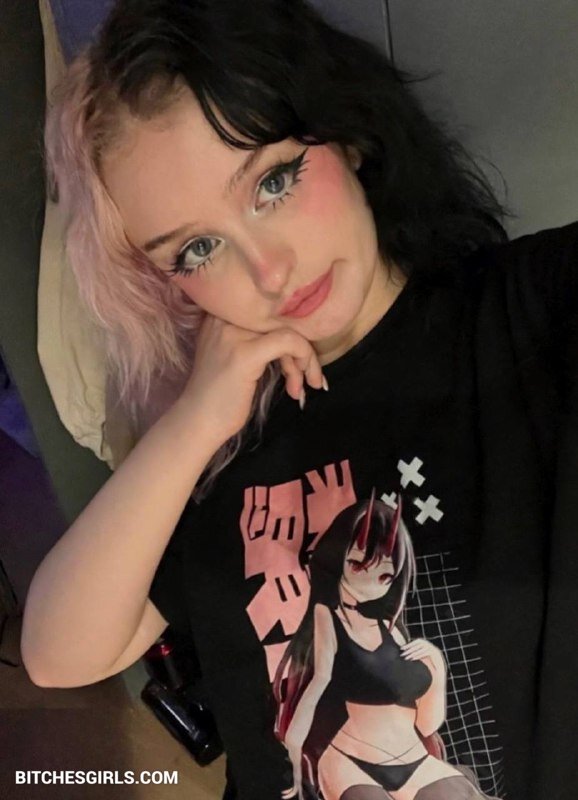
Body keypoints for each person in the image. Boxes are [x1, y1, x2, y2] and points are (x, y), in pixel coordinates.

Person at [20, 1, 578, 799]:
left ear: (343, 130)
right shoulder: (221, 444)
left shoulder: (526, 316)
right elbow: (59, 654)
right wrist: (192, 424)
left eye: (273, 182)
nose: (269, 270)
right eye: (198, 249)